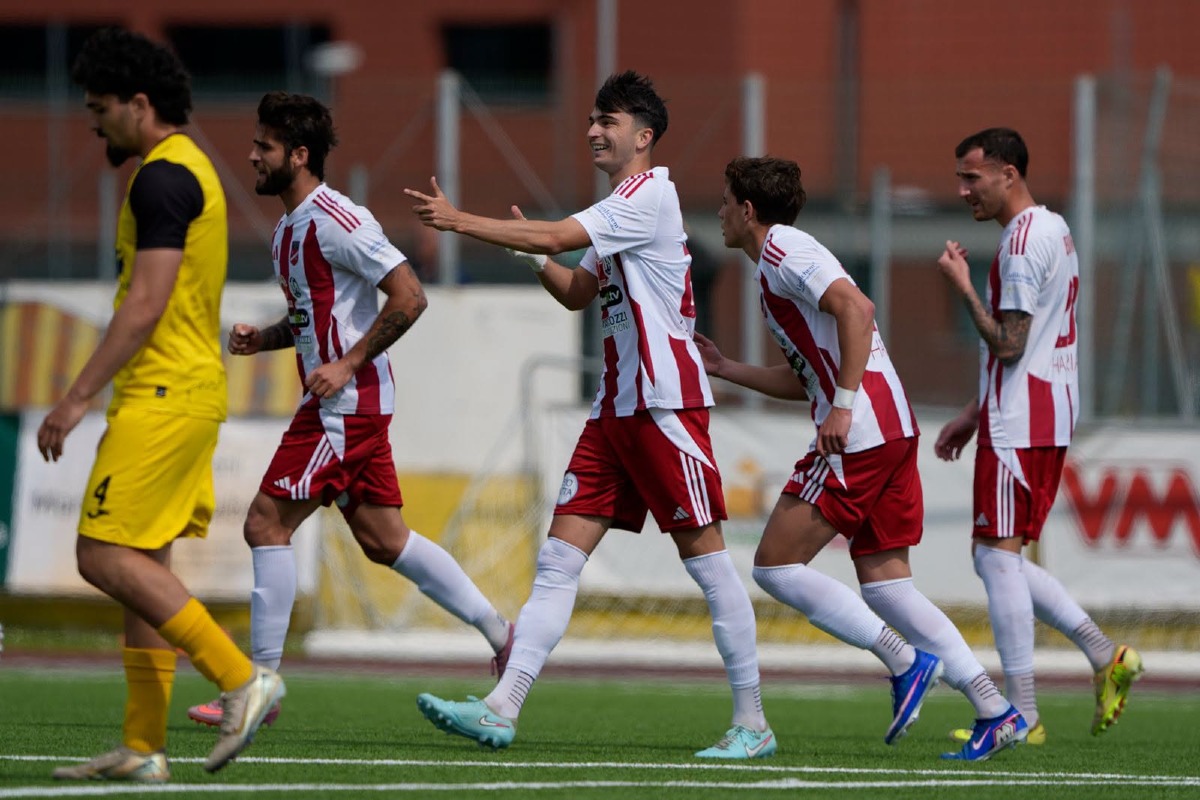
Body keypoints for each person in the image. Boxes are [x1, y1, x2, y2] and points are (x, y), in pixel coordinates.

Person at [404, 71, 774, 759]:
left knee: (709, 564)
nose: (594, 131)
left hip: (665, 405)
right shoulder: (619, 210)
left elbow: (558, 236)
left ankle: (752, 721)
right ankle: (501, 707)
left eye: (608, 119)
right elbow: (579, 291)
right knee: (556, 562)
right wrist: (532, 255)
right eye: (592, 119)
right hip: (617, 411)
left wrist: (461, 222)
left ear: (645, 135)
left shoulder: (646, 195)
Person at [186, 91, 514, 727]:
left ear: (299, 155)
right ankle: (504, 637)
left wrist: (346, 364)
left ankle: (256, 688)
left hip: (346, 406)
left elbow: (410, 296)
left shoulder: (339, 217)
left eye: (265, 146)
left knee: (264, 523)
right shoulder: (288, 229)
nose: (252, 155)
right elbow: (320, 318)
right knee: (383, 539)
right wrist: (270, 337)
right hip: (349, 401)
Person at [699, 155, 1027, 762]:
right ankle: (995, 709)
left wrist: (843, 409)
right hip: (888, 426)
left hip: (865, 432)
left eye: (724, 202)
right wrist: (727, 370)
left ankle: (905, 661)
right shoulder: (780, 264)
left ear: (748, 211)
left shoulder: (784, 252)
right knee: (886, 587)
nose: (718, 213)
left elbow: (859, 310)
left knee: (774, 566)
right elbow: (810, 377)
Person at [41, 28, 284, 782]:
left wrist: (75, 396)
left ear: (139, 104)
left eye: (100, 107)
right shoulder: (180, 171)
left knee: (101, 555)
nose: (93, 123)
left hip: (163, 392)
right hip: (183, 392)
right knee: (142, 561)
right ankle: (145, 748)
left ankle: (242, 679)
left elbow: (145, 304)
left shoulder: (164, 177)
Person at [934, 127, 1143, 745]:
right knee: (998, 557)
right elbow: (1036, 340)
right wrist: (974, 410)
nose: (964, 190)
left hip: (1021, 418)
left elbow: (1009, 341)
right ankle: (1105, 656)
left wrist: (961, 285)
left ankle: (1021, 713)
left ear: (1008, 172)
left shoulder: (1021, 244)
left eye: (972, 177)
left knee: (995, 559)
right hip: (1042, 411)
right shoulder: (1052, 228)